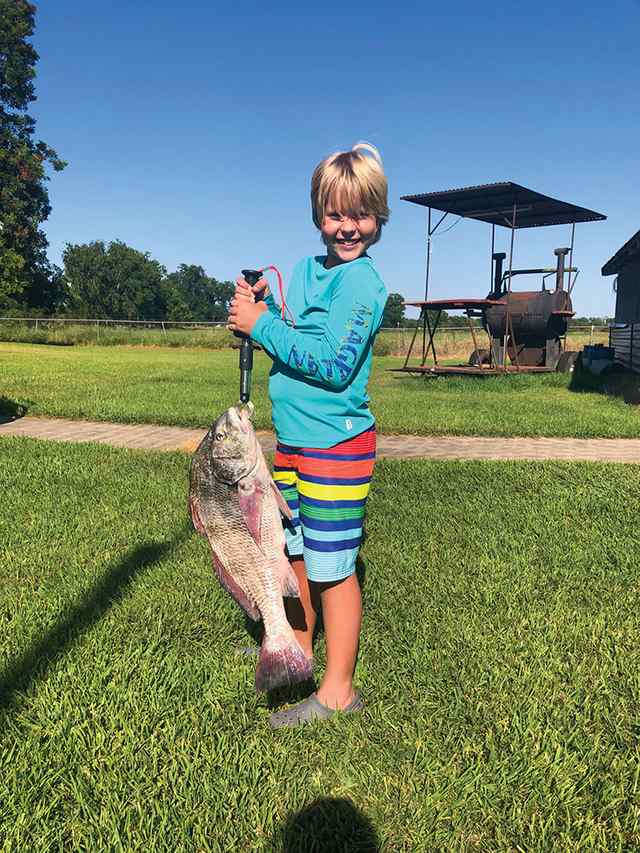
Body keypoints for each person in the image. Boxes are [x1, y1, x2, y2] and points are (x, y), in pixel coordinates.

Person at [227, 142, 389, 728]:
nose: (347, 227)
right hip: (295, 443)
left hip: (336, 449)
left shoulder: (363, 286)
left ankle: (339, 691)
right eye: (335, 214)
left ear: (379, 217)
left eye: (360, 214)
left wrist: (262, 326)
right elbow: (298, 331)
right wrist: (268, 310)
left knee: (333, 568)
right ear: (318, 214)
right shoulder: (305, 269)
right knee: (296, 553)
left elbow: (330, 364)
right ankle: (297, 647)